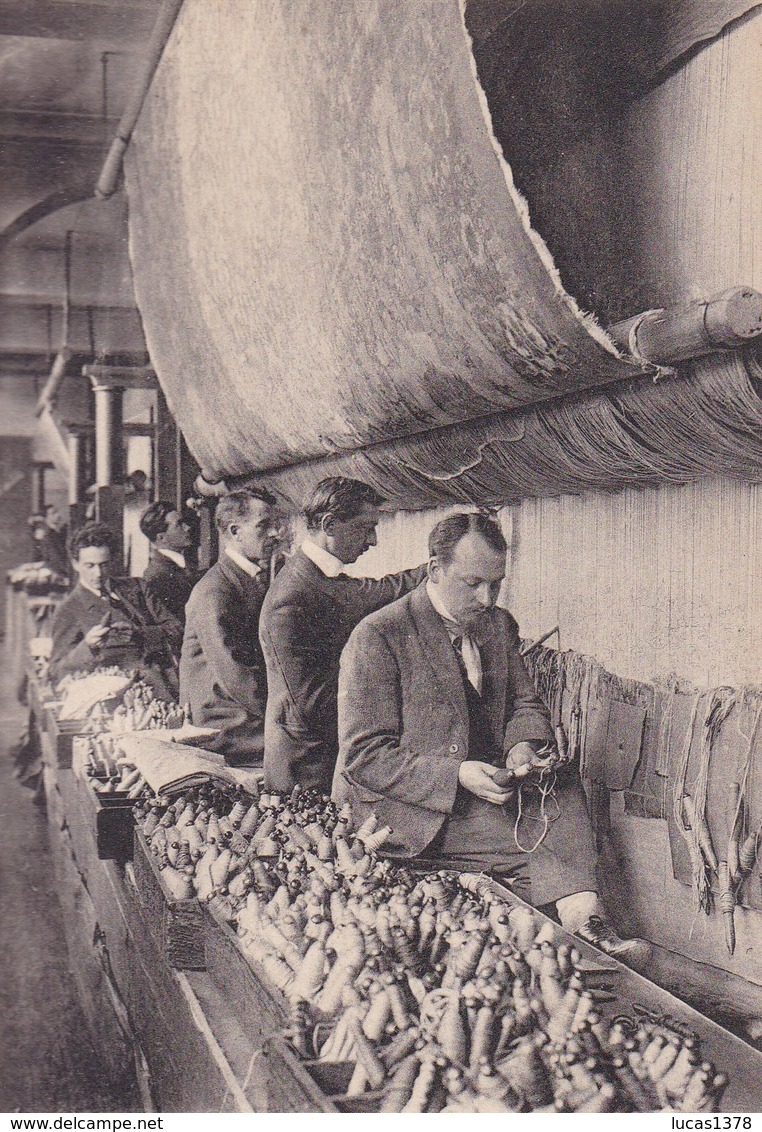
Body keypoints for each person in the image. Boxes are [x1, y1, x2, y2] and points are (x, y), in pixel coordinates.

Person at [332, 511, 649, 964]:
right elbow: (363, 756)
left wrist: (522, 746)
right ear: (435, 571)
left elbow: (524, 703)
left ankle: (586, 924)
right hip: (404, 812)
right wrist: (457, 774)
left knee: (560, 792)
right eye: (472, 583)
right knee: (532, 841)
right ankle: (576, 932)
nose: (486, 598)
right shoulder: (378, 635)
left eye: (496, 583)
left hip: (476, 795)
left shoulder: (498, 626)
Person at [259, 476, 428, 795]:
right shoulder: (294, 594)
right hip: (306, 771)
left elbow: (376, 592)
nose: (374, 540)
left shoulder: (314, 577)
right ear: (329, 524)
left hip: (320, 760)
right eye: (365, 528)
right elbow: (311, 702)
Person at [179, 488, 280, 765]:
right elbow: (238, 677)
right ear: (235, 532)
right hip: (224, 726)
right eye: (264, 526)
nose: (275, 534)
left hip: (239, 715)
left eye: (274, 525)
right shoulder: (215, 591)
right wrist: (288, 714)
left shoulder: (244, 579)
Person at [49, 521, 183, 699]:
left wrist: (141, 634)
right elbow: (57, 672)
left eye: (103, 564)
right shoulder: (69, 609)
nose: (98, 573)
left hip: (169, 685)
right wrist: (87, 647)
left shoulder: (138, 587)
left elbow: (177, 628)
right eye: (90, 565)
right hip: (122, 698)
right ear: (75, 563)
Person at [140, 501, 199, 624]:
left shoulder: (182, 566)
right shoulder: (156, 577)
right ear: (161, 537)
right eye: (179, 525)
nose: (188, 527)